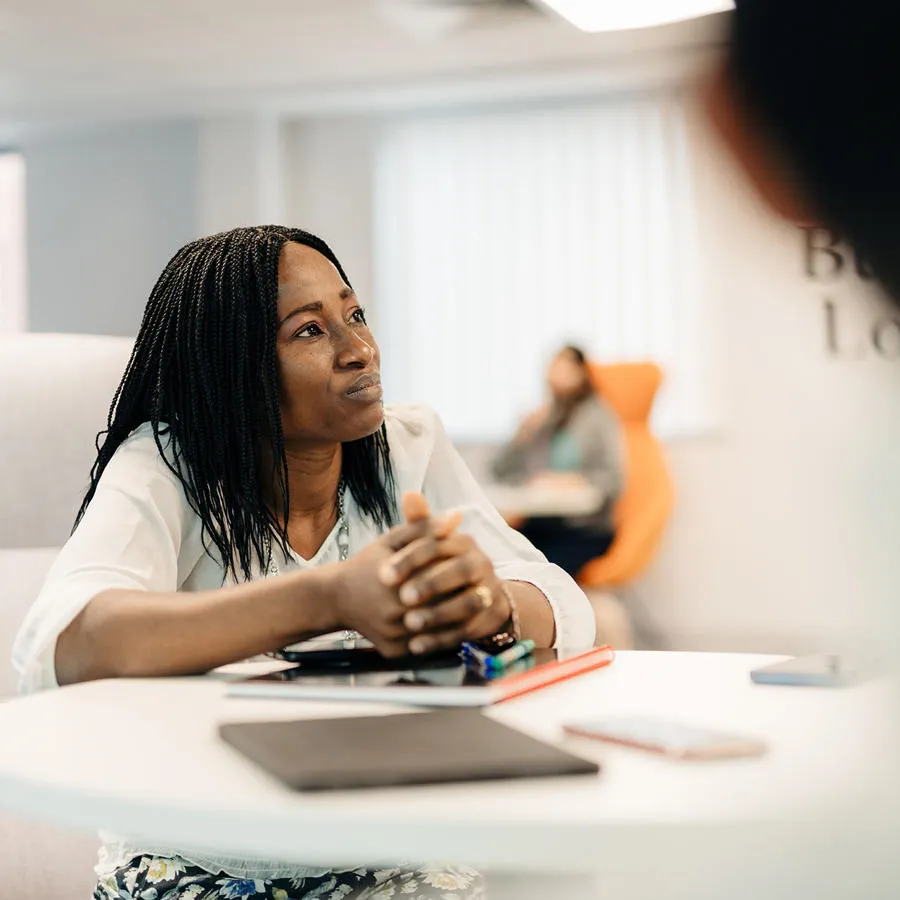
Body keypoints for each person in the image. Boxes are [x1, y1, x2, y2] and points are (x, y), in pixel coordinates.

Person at [12, 226, 595, 900]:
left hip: (389, 844)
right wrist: (329, 599)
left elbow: (558, 597)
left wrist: (488, 602)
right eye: (311, 332)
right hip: (206, 856)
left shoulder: (408, 444)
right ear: (234, 367)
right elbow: (66, 644)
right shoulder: (164, 464)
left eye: (355, 316)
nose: (361, 351)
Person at [490, 345, 625, 578]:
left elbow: (614, 480)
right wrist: (521, 436)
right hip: (544, 521)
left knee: (540, 573)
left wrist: (574, 480)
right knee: (499, 558)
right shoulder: (545, 420)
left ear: (582, 372)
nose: (557, 374)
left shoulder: (599, 417)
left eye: (566, 367)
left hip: (586, 528)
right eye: (554, 367)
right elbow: (499, 470)